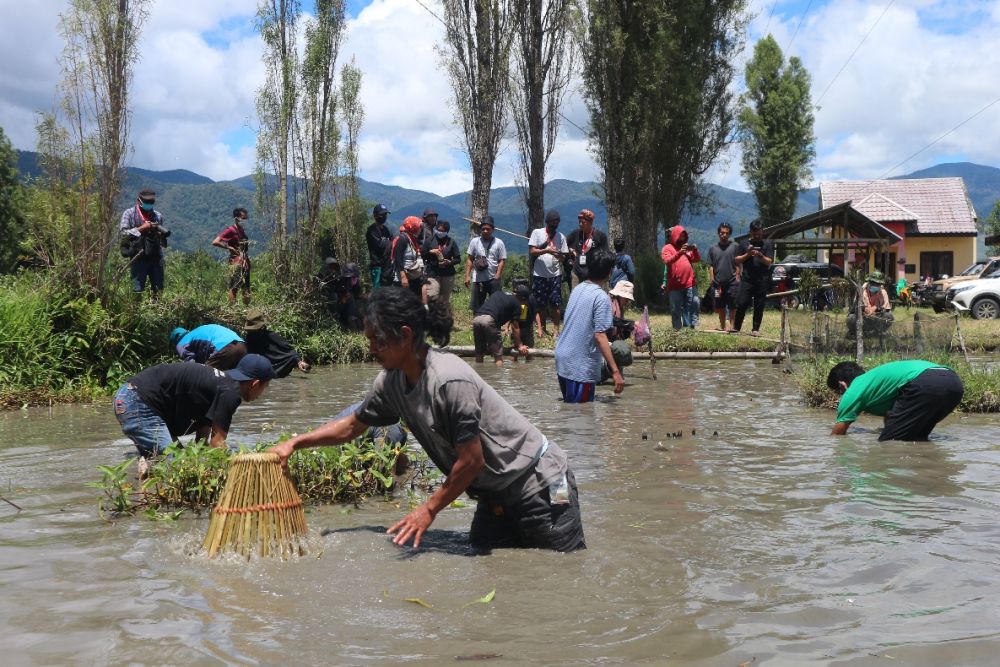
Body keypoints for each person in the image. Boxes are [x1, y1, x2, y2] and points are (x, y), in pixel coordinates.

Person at [269, 287, 585, 552]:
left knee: (560, 572)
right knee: (488, 562)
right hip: (495, 494)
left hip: (543, 480)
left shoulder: (448, 380)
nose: (370, 350)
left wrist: (428, 509)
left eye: (377, 340)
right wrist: (295, 443)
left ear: (405, 336)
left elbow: (471, 461)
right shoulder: (390, 382)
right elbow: (353, 425)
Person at [114, 353, 273, 460]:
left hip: (133, 398)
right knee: (174, 464)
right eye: (264, 387)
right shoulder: (230, 392)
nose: (262, 393)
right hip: (139, 402)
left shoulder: (219, 383)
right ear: (255, 384)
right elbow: (217, 445)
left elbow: (202, 440)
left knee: (175, 458)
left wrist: (201, 461)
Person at [827, 360, 964, 441]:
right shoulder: (874, 382)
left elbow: (837, 435)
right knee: (916, 439)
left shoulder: (853, 390)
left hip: (924, 382)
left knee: (889, 443)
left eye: (838, 393)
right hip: (953, 382)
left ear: (842, 385)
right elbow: (893, 414)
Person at [554, 248, 625, 402]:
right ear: (609, 272)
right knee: (583, 415)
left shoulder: (578, 289)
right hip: (579, 365)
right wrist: (615, 371)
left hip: (562, 358)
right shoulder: (601, 297)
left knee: (571, 410)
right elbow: (600, 336)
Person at [119, 188, 170, 300]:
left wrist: (159, 233)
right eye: (146, 203)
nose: (149, 205)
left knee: (158, 288)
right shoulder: (129, 213)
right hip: (138, 256)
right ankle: (135, 314)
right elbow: (123, 233)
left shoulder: (157, 216)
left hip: (155, 257)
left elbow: (162, 242)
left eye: (151, 203)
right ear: (139, 201)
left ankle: (156, 313)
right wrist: (142, 228)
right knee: (137, 289)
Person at [528, 209, 569, 338]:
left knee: (555, 303)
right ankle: (543, 329)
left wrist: (559, 255)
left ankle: (556, 330)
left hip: (555, 274)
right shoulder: (537, 233)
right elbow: (532, 251)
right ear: (547, 222)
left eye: (556, 222)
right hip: (539, 273)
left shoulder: (561, 236)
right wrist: (546, 250)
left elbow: (564, 257)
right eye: (552, 222)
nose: (554, 224)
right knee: (540, 303)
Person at [472, 284, 534, 366]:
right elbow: (515, 327)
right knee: (498, 355)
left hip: (476, 319)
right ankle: (499, 376)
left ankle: (479, 374)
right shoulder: (516, 304)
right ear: (523, 298)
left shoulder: (498, 293)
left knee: (479, 353)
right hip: (489, 320)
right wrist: (520, 346)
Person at [733, 220, 774, 336]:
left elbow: (769, 262)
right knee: (741, 303)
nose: (757, 236)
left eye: (759, 234)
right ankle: (736, 327)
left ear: (763, 232)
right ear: (750, 232)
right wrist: (748, 254)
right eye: (754, 234)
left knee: (759, 305)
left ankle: (755, 329)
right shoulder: (743, 243)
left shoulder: (767, 244)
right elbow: (736, 259)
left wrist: (760, 255)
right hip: (747, 279)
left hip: (762, 280)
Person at [244, 310, 311, 377]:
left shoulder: (271, 336)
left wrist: (299, 362)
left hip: (274, 369)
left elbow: (290, 352)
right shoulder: (248, 340)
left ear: (261, 328)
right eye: (250, 331)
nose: (252, 333)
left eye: (254, 330)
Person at [661, 225, 701, 330]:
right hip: (674, 285)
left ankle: (691, 327)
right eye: (680, 236)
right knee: (676, 309)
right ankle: (677, 330)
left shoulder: (686, 248)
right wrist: (680, 253)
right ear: (675, 236)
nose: (682, 239)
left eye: (684, 236)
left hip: (689, 283)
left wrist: (695, 250)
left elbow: (696, 259)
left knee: (694, 303)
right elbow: (667, 261)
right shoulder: (667, 248)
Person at [464, 216, 507, 313]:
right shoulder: (475, 242)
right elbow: (470, 259)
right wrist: (467, 276)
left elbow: (502, 260)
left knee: (496, 305)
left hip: (493, 278)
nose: (485, 231)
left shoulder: (499, 243)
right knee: (477, 306)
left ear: (493, 229)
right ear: (480, 229)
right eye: (483, 229)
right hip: (478, 279)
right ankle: (478, 325)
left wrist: (497, 276)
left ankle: (495, 325)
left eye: (488, 229)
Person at [212, 207, 252, 305]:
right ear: (236, 218)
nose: (245, 220)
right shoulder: (230, 230)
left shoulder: (242, 230)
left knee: (246, 287)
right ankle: (233, 308)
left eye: (246, 218)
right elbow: (215, 242)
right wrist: (228, 247)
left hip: (245, 262)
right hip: (236, 262)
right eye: (243, 218)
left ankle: (246, 309)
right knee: (234, 287)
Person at [707, 222, 740, 332]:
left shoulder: (735, 246)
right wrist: (712, 279)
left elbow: (738, 263)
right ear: (718, 233)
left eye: (726, 233)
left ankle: (732, 326)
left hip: (732, 281)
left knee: (733, 305)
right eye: (722, 233)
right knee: (720, 306)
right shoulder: (713, 248)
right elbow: (710, 265)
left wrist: (738, 276)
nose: (724, 235)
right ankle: (723, 327)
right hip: (718, 283)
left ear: (729, 234)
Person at [170, 323, 247, 370]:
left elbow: (191, 366)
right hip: (241, 346)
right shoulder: (197, 331)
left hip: (224, 347)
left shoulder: (181, 343)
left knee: (204, 376)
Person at [565, 209, 608, 288]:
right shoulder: (575, 234)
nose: (580, 224)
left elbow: (605, 255)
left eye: (583, 222)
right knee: (576, 298)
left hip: (594, 275)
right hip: (577, 273)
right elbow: (563, 245)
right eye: (579, 222)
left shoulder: (600, 236)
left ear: (590, 222)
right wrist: (569, 250)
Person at [422, 219, 461, 303]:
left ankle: (442, 315)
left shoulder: (451, 242)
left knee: (444, 300)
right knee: (432, 296)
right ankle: (431, 314)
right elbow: (423, 254)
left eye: (442, 231)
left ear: (447, 231)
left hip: (447, 275)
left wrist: (449, 262)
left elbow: (458, 258)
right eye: (438, 230)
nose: (440, 232)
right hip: (432, 274)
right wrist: (430, 252)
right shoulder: (430, 240)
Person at [603, 280, 635, 382]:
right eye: (626, 299)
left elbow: (619, 332)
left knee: (626, 353)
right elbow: (610, 321)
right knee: (621, 350)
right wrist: (631, 324)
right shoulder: (607, 304)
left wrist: (632, 330)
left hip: (609, 341)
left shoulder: (619, 308)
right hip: (599, 342)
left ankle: (611, 369)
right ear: (620, 296)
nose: (627, 302)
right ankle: (605, 370)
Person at [847, 270, 894, 337]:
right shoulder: (861, 291)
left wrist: (875, 310)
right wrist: (867, 310)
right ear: (869, 282)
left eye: (877, 284)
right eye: (873, 283)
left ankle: (878, 332)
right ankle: (856, 332)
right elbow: (860, 306)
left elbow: (885, 308)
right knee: (851, 318)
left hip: (877, 318)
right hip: (863, 318)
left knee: (888, 316)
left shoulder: (883, 292)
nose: (875, 285)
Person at [393, 216, 427, 303]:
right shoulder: (402, 239)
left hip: (413, 278)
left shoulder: (413, 239)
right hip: (404, 279)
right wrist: (403, 277)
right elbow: (398, 259)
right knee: (403, 303)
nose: (420, 229)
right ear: (413, 227)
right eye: (419, 227)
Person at [366, 203, 394, 289]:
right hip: (377, 266)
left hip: (388, 266)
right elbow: (380, 245)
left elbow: (393, 242)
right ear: (375, 215)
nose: (384, 216)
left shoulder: (386, 229)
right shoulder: (371, 231)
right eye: (382, 214)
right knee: (378, 293)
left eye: (385, 214)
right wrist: (390, 243)